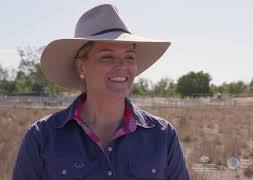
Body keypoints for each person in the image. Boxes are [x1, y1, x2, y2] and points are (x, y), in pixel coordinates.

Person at [12, 4, 189, 180]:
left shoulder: (163, 136)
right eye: (107, 56)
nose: (122, 66)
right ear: (81, 66)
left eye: (129, 57)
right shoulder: (42, 137)